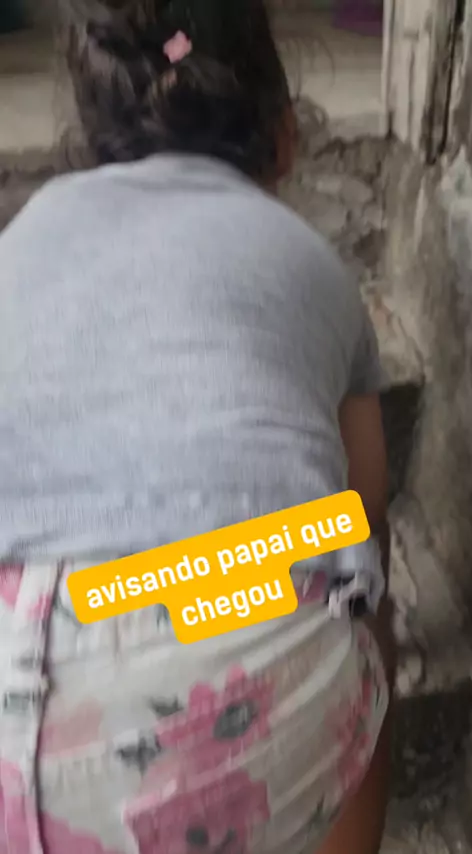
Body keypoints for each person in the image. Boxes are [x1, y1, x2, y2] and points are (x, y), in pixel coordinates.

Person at [0, 1, 394, 852]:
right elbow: (362, 512)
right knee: (352, 581)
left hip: (13, 612)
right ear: (285, 140)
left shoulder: (24, 235)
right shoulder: (312, 266)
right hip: (216, 613)